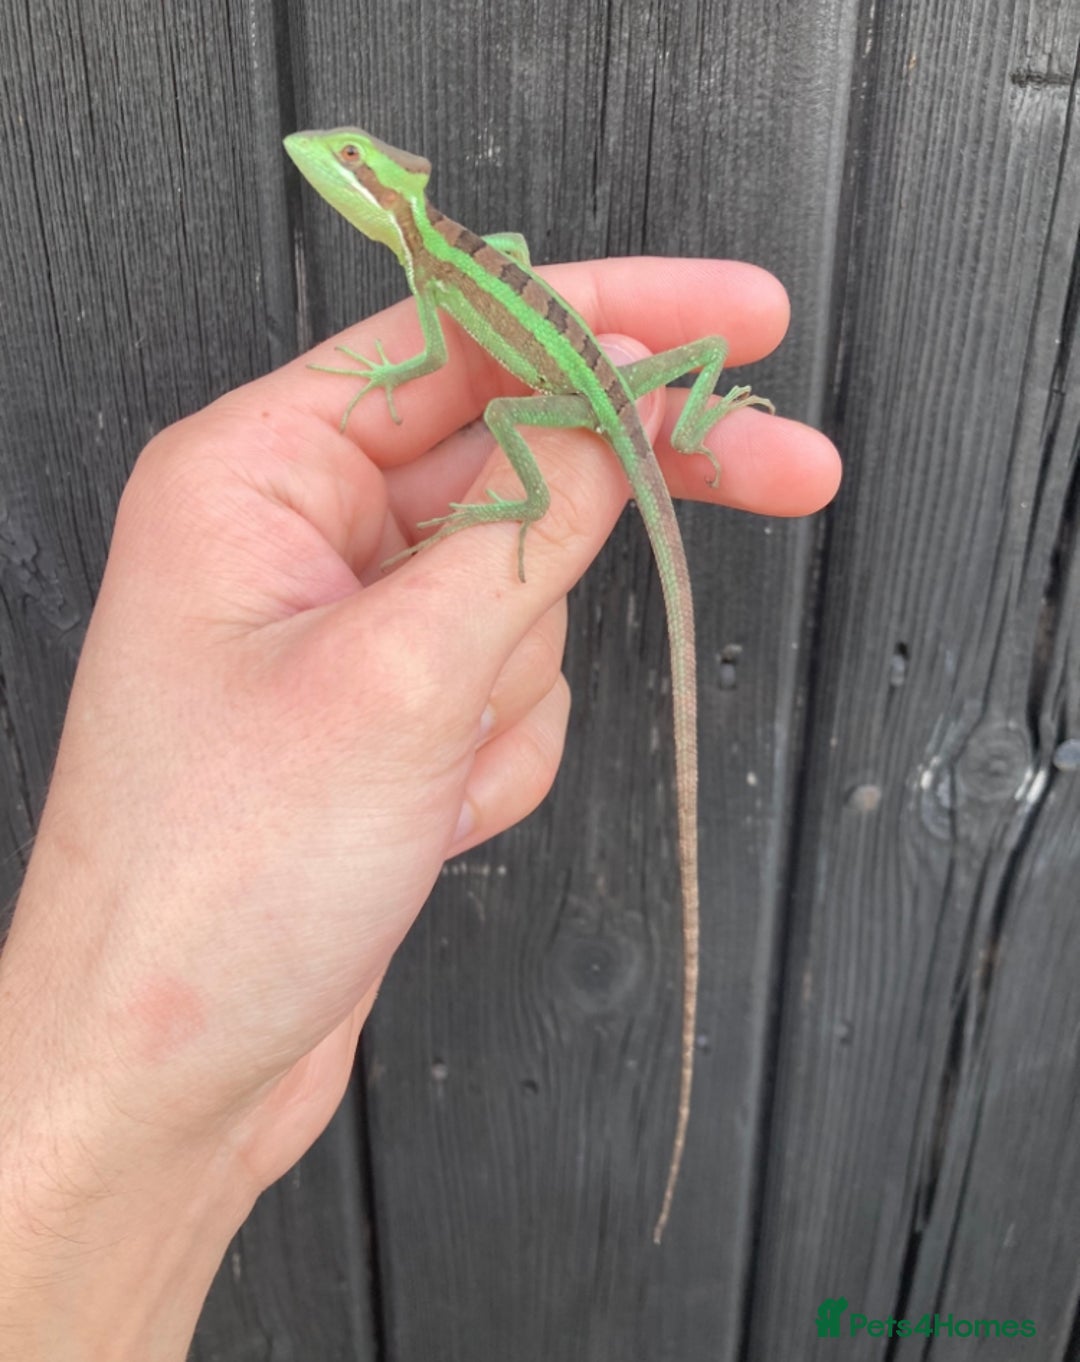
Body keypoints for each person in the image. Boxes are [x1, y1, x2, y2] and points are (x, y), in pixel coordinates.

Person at [0, 256, 840, 1357]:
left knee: (522, 424)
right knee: (608, 386)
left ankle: (557, 484)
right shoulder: (452, 267)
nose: (332, 171)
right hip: (619, 396)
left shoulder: (446, 278)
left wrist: (528, 495)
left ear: (381, 193)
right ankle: (702, 399)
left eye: (349, 165)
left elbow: (442, 359)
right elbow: (448, 345)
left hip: (594, 411)